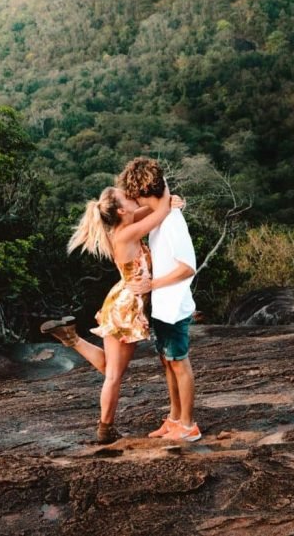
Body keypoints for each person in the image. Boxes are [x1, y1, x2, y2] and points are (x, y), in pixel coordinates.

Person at [40, 184, 181, 444]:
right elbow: (159, 211)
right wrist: (163, 189)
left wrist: (171, 201)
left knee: (112, 368)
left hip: (123, 300)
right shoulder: (126, 233)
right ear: (119, 210)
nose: (132, 196)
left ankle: (71, 339)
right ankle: (105, 428)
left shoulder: (126, 223)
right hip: (125, 308)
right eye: (127, 197)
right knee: (113, 374)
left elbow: (155, 207)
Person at [118, 157, 201, 443]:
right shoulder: (159, 216)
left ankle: (189, 425)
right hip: (162, 304)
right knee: (167, 362)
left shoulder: (172, 221)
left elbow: (188, 266)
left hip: (174, 304)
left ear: (141, 190)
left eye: (133, 193)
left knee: (179, 362)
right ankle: (175, 418)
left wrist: (152, 283)